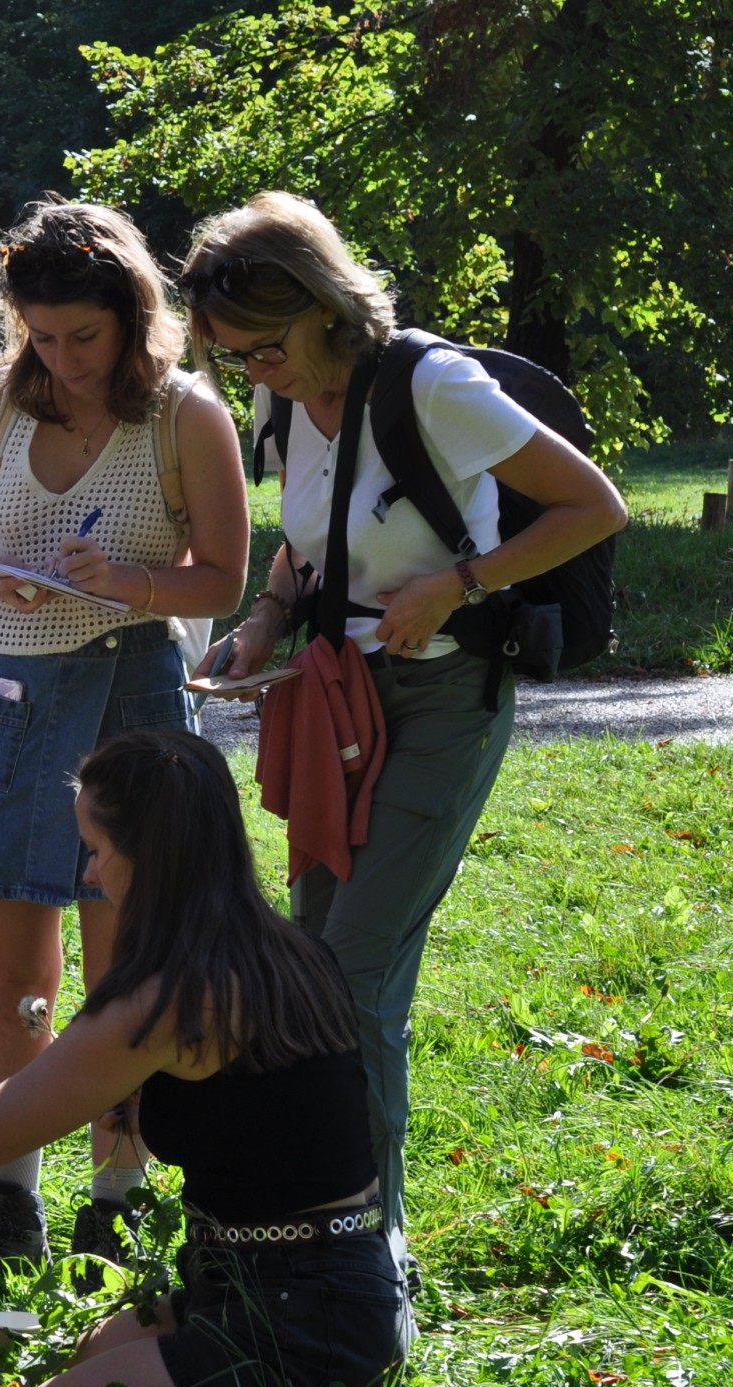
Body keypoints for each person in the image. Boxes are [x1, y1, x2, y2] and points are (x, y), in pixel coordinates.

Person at [177, 192, 627, 1244]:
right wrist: (263, 622)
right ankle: (308, 1209)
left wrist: (461, 585)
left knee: (350, 974)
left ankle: (367, 1242)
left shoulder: (432, 384)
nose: (251, 371)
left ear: (324, 306)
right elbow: (305, 541)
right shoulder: (280, 398)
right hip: (337, 701)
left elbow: (593, 506)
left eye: (263, 346)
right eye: (232, 354)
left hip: (443, 703)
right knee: (307, 962)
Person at [0, 730, 406, 1387]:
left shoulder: (169, 996)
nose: (88, 873)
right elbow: (273, 1114)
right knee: (92, 1352)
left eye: (98, 849)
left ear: (151, 861)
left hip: (298, 1327)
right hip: (326, 1292)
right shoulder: (287, 949)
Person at [0, 198, 250, 1286]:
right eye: (39, 336)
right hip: (12, 686)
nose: (59, 360)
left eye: (82, 337)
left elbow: (225, 580)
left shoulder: (184, 415)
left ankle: (115, 1198)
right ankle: (8, 1198)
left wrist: (137, 582)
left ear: (131, 316)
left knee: (124, 977)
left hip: (134, 697)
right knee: (14, 977)